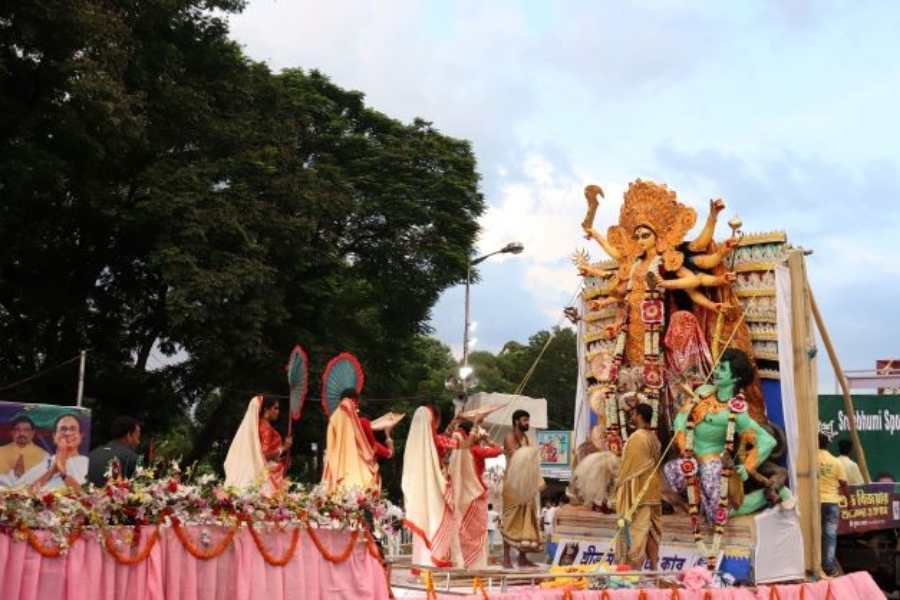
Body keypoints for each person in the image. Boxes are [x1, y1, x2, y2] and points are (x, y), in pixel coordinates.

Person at [402, 406, 456, 569]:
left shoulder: (413, 446)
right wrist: (473, 427)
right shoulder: (435, 442)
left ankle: (421, 564)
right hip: (433, 493)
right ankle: (433, 563)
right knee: (433, 522)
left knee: (422, 523)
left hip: (418, 494)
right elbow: (459, 444)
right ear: (434, 421)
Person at [615, 403, 662, 569]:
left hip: (639, 491)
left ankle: (633, 570)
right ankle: (655, 568)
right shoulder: (653, 437)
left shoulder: (637, 437)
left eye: (633, 414)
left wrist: (617, 485)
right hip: (653, 490)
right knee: (651, 530)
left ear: (640, 416)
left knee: (637, 530)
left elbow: (628, 468)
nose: (631, 417)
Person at [450, 420, 502, 568]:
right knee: (476, 533)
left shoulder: (460, 449)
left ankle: (461, 560)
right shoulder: (476, 450)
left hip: (460, 494)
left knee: (462, 530)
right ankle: (473, 563)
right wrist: (488, 440)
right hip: (476, 494)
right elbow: (498, 450)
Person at [321, 388, 393, 494]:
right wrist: (388, 437)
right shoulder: (363, 424)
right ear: (356, 402)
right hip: (360, 474)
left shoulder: (334, 420)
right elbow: (374, 447)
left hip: (336, 471)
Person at [501, 409, 544, 568]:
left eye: (528, 420)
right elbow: (516, 456)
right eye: (525, 420)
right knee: (509, 519)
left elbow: (529, 458)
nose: (527, 423)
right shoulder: (509, 437)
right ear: (516, 421)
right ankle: (506, 558)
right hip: (512, 484)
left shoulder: (526, 438)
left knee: (526, 520)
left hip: (525, 485)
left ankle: (522, 557)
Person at [224, 396, 292, 494]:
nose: (278, 411)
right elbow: (263, 456)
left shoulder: (256, 426)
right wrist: (283, 448)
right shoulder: (266, 428)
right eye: (275, 408)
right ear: (266, 409)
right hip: (265, 477)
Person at [20, 414, 88, 492]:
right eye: (63, 429)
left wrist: (61, 469)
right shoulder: (43, 462)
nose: (67, 433)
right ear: (54, 436)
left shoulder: (86, 463)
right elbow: (25, 494)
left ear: (81, 436)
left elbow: (83, 495)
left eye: (73, 429)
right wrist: (53, 469)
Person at [818, 432, 849, 577]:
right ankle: (828, 567)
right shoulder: (835, 461)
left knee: (813, 533)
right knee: (829, 535)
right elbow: (843, 484)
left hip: (814, 502)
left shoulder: (809, 458)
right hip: (831, 502)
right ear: (827, 444)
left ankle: (812, 562)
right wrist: (849, 501)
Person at [86, 416, 142, 487]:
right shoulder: (132, 458)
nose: (138, 442)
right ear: (128, 435)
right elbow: (140, 488)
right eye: (137, 437)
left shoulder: (92, 454)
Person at [0, 415, 47, 487]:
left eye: (26, 430)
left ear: (32, 433)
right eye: (17, 429)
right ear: (12, 432)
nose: (21, 433)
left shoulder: (45, 456)